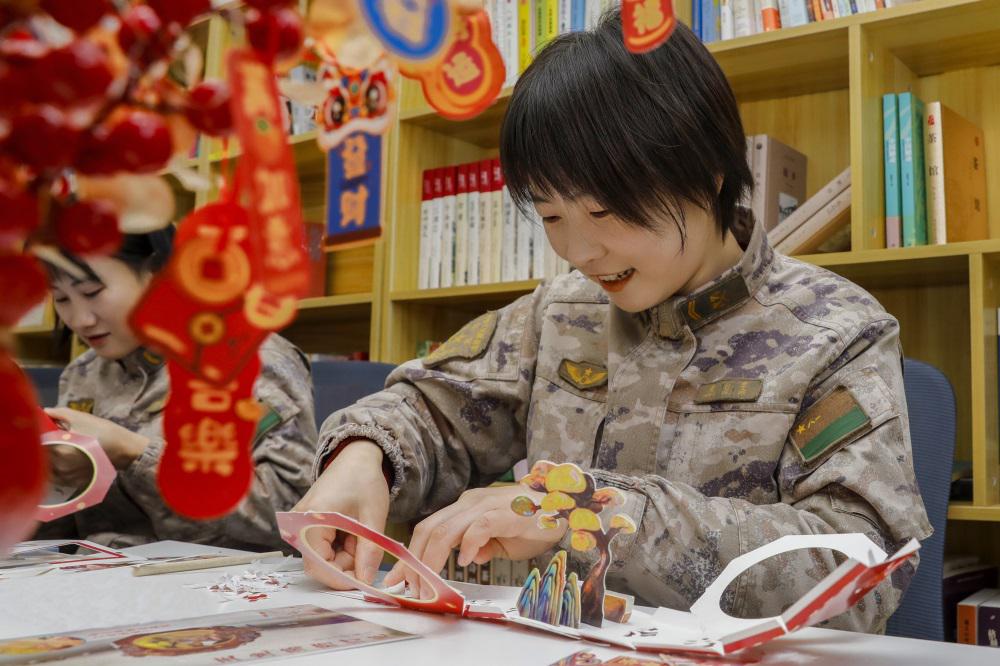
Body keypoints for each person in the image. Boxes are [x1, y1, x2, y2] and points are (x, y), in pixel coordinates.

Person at [294, 12, 931, 632]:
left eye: (604, 211)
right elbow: (432, 408)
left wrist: (588, 511)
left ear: (709, 174)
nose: (579, 250)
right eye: (551, 217)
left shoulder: (835, 331)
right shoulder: (560, 312)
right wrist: (364, 457)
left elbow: (862, 572)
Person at [37, 226, 318, 552]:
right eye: (61, 299)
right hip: (97, 573)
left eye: (91, 292)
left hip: (221, 577)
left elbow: (292, 517)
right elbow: (62, 533)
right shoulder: (83, 374)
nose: (79, 320)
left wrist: (134, 453)